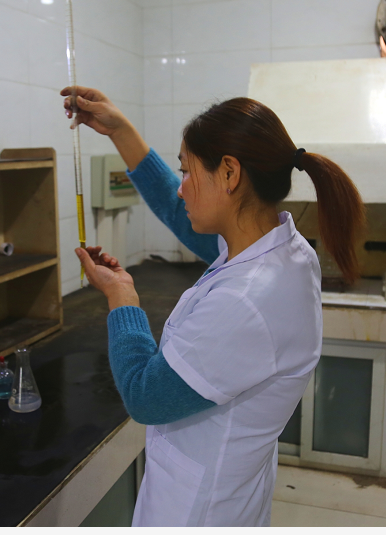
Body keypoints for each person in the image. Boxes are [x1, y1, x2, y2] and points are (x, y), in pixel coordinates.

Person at [60, 86, 365, 527]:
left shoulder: (247, 300)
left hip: (198, 513)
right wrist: (120, 131)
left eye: (187, 172)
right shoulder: (282, 249)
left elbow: (145, 396)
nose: (181, 189)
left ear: (229, 173)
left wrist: (122, 298)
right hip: (228, 494)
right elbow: (179, 211)